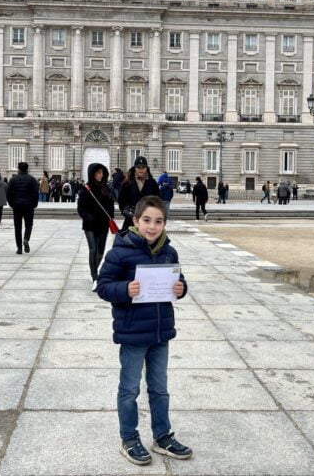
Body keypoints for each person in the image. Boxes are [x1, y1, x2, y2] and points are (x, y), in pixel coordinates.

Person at [96, 196, 191, 466]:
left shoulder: (169, 252)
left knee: (160, 389)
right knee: (129, 389)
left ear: (164, 224)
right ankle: (129, 438)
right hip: (133, 333)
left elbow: (179, 280)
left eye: (158, 221)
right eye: (147, 220)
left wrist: (181, 289)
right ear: (136, 221)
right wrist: (125, 289)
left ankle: (162, 435)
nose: (152, 226)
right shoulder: (120, 252)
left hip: (160, 333)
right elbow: (103, 286)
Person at [77, 163, 115, 290]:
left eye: (102, 172)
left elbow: (110, 205)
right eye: (98, 172)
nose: (100, 175)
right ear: (92, 174)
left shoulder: (106, 188)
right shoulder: (86, 188)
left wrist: (110, 216)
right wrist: (87, 216)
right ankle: (95, 277)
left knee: (100, 252)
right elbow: (80, 208)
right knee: (92, 250)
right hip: (90, 224)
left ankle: (94, 270)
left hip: (103, 223)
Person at [6, 161, 39, 254]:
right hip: (29, 205)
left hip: (17, 205)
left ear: (18, 169)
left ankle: (19, 247)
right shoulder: (32, 179)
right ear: (27, 169)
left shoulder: (13, 180)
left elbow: (8, 193)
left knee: (18, 226)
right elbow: (36, 193)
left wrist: (11, 203)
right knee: (29, 224)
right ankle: (26, 239)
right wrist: (34, 204)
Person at [118, 156, 159, 231]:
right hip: (131, 219)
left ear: (146, 168)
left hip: (148, 220)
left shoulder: (152, 183)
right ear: (135, 168)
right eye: (138, 167)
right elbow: (121, 200)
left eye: (143, 167)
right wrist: (127, 213)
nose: (141, 169)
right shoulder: (127, 182)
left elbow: (157, 200)